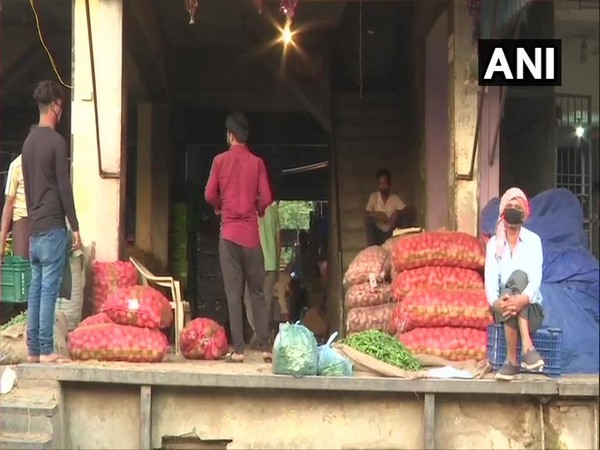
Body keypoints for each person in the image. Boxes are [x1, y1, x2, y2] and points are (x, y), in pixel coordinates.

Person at [205, 112, 273, 363]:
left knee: (233, 294)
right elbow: (266, 197)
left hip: (230, 237)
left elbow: (209, 194)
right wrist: (258, 209)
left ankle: (240, 350)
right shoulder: (257, 163)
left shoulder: (219, 161)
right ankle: (265, 348)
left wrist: (219, 207)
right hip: (252, 238)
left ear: (230, 136)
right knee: (257, 292)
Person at [22, 80, 81, 364]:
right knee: (49, 291)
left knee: (35, 289)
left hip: (35, 229)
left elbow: (30, 187)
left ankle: (33, 350)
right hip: (54, 228)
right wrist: (75, 226)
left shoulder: (28, 142)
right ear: (55, 106)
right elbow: (64, 187)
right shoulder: (56, 142)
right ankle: (47, 350)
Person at [484, 187, 545, 381]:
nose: (512, 209)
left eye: (517, 206)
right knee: (507, 291)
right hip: (503, 308)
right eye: (509, 205)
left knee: (519, 277)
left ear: (524, 212)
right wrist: (496, 303)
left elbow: (535, 278)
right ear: (502, 210)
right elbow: (490, 280)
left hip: (532, 310)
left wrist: (523, 299)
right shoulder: (494, 244)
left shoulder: (534, 241)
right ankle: (528, 352)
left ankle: (512, 361)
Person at [244, 196, 281, 346]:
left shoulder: (250, 213)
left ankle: (258, 332)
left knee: (249, 299)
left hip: (254, 263)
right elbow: (278, 241)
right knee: (265, 301)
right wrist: (278, 265)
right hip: (271, 263)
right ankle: (262, 335)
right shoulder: (274, 213)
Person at [364, 169, 410, 246]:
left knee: (404, 219)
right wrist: (377, 214)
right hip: (377, 232)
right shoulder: (374, 197)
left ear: (389, 184)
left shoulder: (394, 198)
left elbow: (407, 210)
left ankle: (403, 246)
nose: (382, 186)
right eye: (380, 183)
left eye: (385, 183)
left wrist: (397, 212)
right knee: (369, 221)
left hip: (391, 231)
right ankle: (372, 249)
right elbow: (365, 214)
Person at [1, 154, 28, 258]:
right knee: (21, 264)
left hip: (42, 218)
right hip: (22, 218)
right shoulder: (17, 165)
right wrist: (2, 240)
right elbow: (9, 203)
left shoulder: (46, 161)